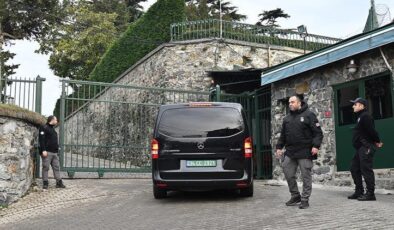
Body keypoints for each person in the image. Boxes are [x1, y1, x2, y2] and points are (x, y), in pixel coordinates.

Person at [275, 95, 323, 209]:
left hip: (305, 151)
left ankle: (305, 199)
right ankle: (295, 195)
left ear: (299, 103)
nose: (290, 104)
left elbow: (318, 133)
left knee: (306, 176)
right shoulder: (286, 119)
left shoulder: (309, 115)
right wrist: (279, 147)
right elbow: (283, 136)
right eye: (289, 102)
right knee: (288, 172)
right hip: (291, 152)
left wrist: (316, 146)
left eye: (292, 102)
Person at [348, 97, 383, 201]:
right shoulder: (360, 117)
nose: (353, 106)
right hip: (360, 148)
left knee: (366, 170)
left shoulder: (366, 116)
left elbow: (372, 131)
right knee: (354, 168)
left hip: (366, 147)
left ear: (361, 106)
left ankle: (371, 194)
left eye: (355, 104)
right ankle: (359, 191)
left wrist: (377, 141)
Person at [38, 115, 66, 189]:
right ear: (52, 120)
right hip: (47, 152)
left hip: (54, 153)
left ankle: (59, 182)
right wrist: (43, 150)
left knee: (56, 167)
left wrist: (57, 148)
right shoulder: (44, 127)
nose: (57, 122)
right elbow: (41, 140)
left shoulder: (53, 130)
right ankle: (45, 183)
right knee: (46, 167)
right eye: (56, 120)